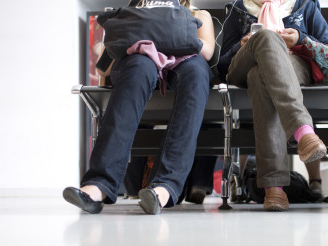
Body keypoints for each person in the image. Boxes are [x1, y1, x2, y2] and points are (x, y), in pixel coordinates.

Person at [63, 0, 215, 214]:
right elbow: (103, 70)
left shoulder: (199, 15)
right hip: (141, 57)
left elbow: (207, 52)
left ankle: (165, 186)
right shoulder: (133, 14)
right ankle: (99, 184)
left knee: (197, 75)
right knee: (138, 67)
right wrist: (136, 33)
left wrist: (175, 34)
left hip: (187, 60)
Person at [217, 0, 328, 211]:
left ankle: (274, 189)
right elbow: (223, 63)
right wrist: (242, 46)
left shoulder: (305, 5)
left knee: (259, 77)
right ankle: (303, 132)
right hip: (242, 66)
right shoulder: (238, 8)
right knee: (266, 36)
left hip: (293, 65)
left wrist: (301, 38)